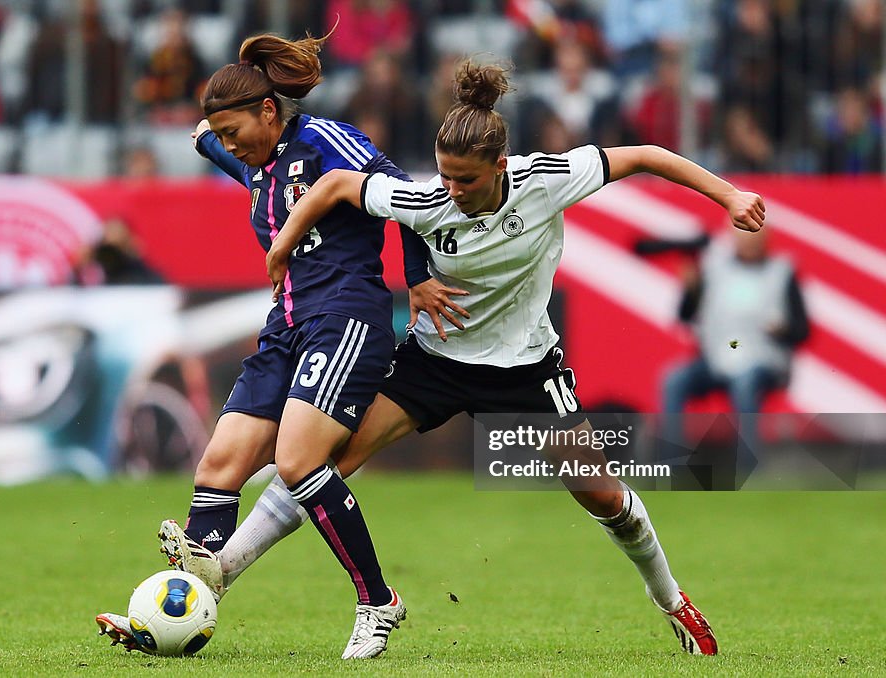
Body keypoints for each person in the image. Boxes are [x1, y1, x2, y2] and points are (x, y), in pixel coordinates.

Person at [155, 60, 767, 657]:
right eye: (444, 177)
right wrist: (290, 238)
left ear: (500, 166)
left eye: (466, 181)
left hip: (526, 367)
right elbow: (341, 186)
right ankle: (225, 571)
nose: (452, 191)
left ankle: (669, 598)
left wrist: (728, 194)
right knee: (320, 462)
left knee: (602, 495)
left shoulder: (546, 179)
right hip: (437, 362)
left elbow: (645, 155)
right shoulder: (429, 198)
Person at [95, 31, 436, 660]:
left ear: (270, 112)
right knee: (217, 470)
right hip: (284, 329)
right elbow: (227, 146)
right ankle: (179, 610)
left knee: (299, 462)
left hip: (345, 321)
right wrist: (212, 141)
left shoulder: (325, 141)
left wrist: (416, 279)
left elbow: (411, 196)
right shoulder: (257, 160)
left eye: (236, 133)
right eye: (222, 138)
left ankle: (377, 601)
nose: (231, 147)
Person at [661, 224, 809, 457]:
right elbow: (686, 315)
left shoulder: (780, 273)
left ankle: (746, 464)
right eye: (745, 239)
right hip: (715, 360)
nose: (750, 245)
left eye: (755, 240)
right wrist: (690, 291)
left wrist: (782, 330)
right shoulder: (715, 270)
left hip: (763, 360)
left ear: (766, 242)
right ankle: (670, 461)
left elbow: (802, 330)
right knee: (674, 380)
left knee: (745, 384)